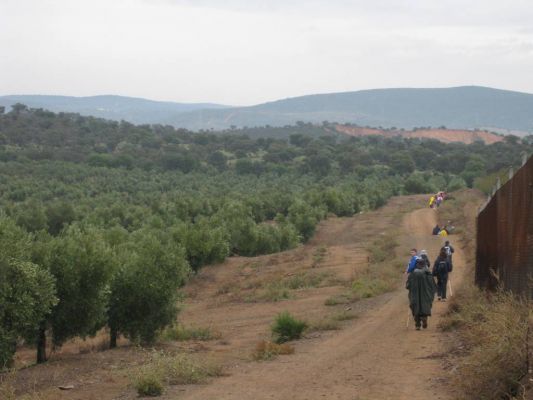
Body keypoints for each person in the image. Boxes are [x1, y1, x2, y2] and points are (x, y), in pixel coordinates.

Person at [406, 257, 437, 330]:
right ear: (424, 265)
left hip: (414, 295)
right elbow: (433, 286)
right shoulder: (428, 274)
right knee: (425, 307)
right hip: (426, 295)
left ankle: (417, 324)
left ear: (417, 265)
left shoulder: (412, 275)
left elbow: (407, 286)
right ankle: (424, 318)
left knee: (415, 308)